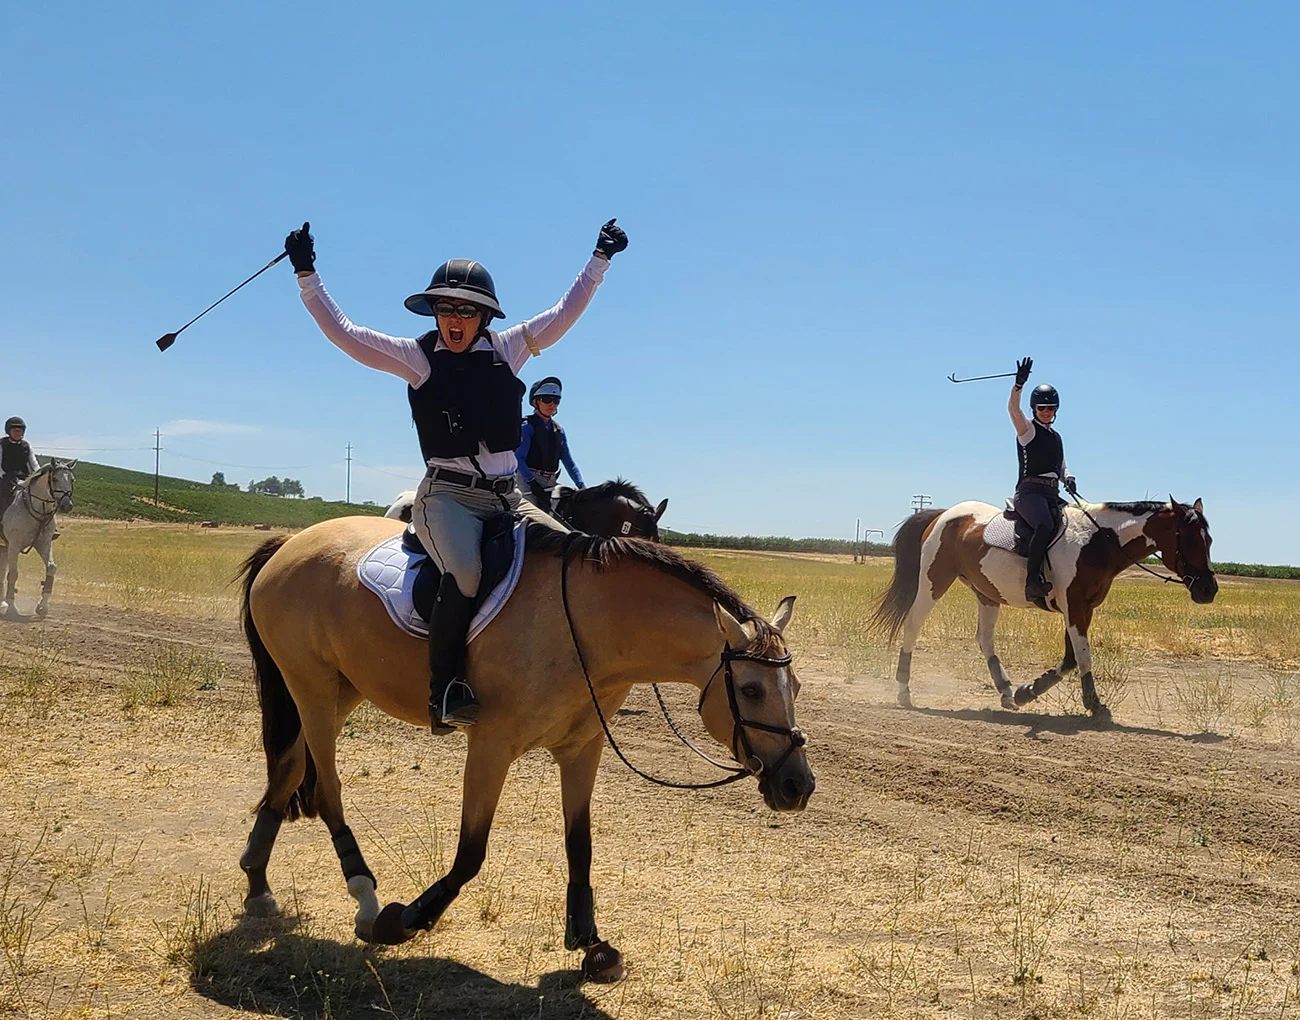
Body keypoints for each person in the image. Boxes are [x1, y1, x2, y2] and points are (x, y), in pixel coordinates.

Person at [285, 218, 628, 732]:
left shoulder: (509, 348)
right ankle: (445, 689)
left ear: (483, 316)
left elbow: (563, 314)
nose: (455, 318)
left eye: (466, 310)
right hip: (447, 499)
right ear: (435, 313)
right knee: (465, 573)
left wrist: (599, 261)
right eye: (446, 307)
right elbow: (347, 335)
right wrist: (307, 276)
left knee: (572, 559)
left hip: (509, 497)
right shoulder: (418, 358)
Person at [1008, 358, 1076, 602]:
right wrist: (1018, 385)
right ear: (1034, 409)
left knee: (1076, 523)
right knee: (1045, 525)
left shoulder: (1056, 437)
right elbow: (1013, 410)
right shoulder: (1027, 430)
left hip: (1052, 493)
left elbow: (1061, 465)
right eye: (1041, 408)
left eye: (1050, 408)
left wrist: (1068, 478)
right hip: (1029, 493)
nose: (1046, 412)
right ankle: (1032, 582)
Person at [516, 377, 584, 513]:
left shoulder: (559, 430)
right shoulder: (527, 426)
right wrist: (532, 483)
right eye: (547, 399)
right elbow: (519, 458)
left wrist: (582, 486)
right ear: (536, 402)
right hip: (527, 481)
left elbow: (569, 462)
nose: (552, 404)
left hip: (551, 481)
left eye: (556, 400)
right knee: (531, 515)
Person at [0, 416, 39, 523]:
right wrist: (4, 475)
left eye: (20, 431)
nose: (18, 433)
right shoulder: (2, 444)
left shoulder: (26, 445)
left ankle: (48, 524)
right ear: (9, 431)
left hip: (24, 478)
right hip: (5, 478)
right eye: (15, 431)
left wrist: (39, 475)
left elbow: (34, 464)